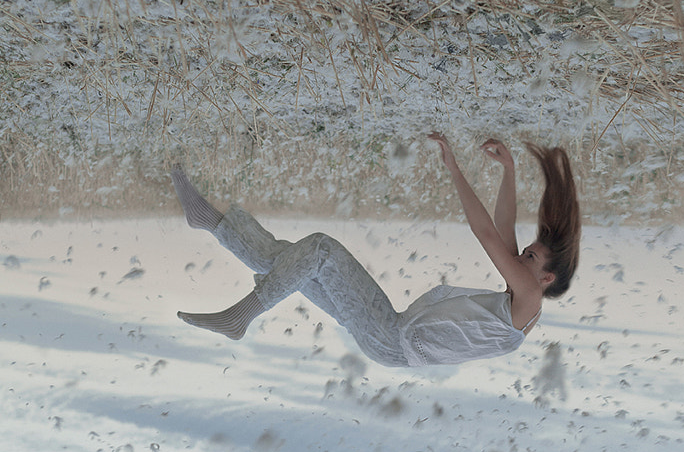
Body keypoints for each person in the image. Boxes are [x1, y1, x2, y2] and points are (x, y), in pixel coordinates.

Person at [173, 134, 580, 367]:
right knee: (294, 262)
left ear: (546, 279)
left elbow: (487, 234)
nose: (519, 258)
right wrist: (508, 172)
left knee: (319, 250)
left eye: (530, 258)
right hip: (391, 331)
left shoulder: (527, 300)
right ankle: (208, 219)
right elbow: (504, 230)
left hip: (391, 337)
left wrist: (454, 169)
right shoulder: (519, 303)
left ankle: (239, 317)